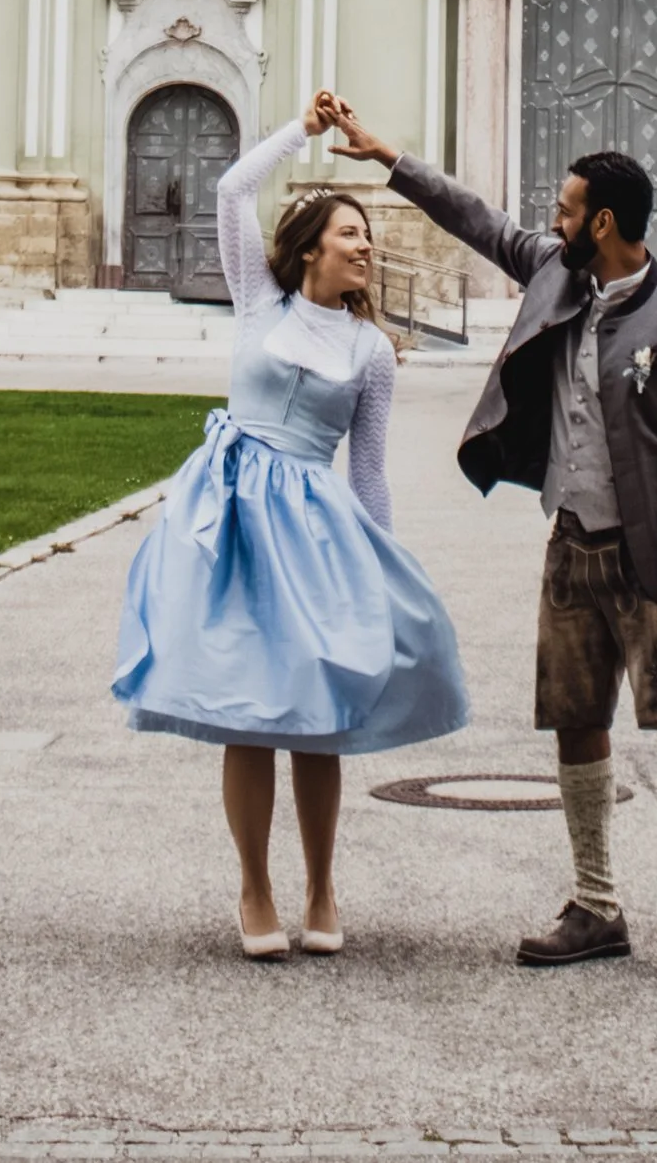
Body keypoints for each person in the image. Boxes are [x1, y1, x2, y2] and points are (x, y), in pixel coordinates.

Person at [316, 91, 657, 981]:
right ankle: (597, 904)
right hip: (571, 543)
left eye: (566, 208)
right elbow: (476, 219)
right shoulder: (558, 271)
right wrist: (385, 155)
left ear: (607, 223)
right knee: (575, 723)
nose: (552, 219)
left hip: (651, 563)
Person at [111, 102, 468, 960]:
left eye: (369, 239)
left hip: (315, 530)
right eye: (353, 233)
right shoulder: (257, 305)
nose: (367, 247)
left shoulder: (371, 351)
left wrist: (381, 569)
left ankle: (321, 885)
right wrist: (300, 132)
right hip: (231, 520)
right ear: (313, 246)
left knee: (317, 712)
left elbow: (371, 468)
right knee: (246, 704)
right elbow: (234, 190)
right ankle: (254, 888)